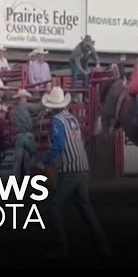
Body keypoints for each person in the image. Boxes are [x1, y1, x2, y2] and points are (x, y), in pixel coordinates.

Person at [36, 86, 111, 260]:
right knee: (84, 206)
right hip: (83, 167)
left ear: (52, 107)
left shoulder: (56, 122)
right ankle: (102, 245)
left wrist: (43, 162)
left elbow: (59, 146)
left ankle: (62, 248)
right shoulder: (73, 119)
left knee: (54, 205)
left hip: (70, 170)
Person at [11, 88, 43, 182]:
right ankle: (29, 174)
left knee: (17, 161)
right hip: (27, 135)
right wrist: (44, 103)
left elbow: (13, 121)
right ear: (23, 98)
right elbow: (37, 107)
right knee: (33, 154)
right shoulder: (25, 106)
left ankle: (15, 182)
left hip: (18, 136)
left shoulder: (14, 110)